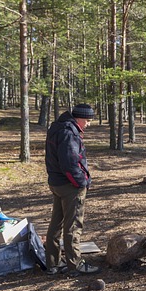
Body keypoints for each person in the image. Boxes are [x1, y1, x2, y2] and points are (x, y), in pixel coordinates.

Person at [44, 103, 101, 276]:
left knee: (56, 224)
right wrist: (81, 182)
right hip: (69, 186)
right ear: (79, 118)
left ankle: (52, 263)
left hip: (56, 183)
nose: (88, 124)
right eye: (87, 120)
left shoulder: (57, 127)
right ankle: (75, 265)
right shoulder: (69, 133)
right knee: (73, 226)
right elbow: (69, 162)